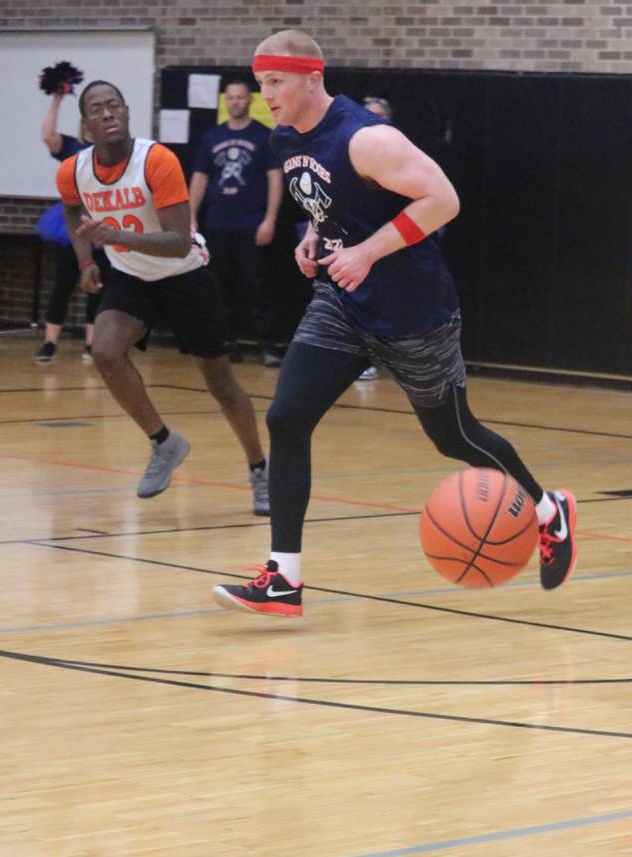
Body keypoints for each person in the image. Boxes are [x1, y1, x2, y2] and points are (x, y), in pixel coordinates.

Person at [212, 30, 577, 616]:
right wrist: (313, 237)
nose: (266, 95)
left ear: (312, 77)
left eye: (275, 82)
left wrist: (367, 252)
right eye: (261, 84)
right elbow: (328, 202)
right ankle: (284, 576)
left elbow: (443, 199)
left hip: (413, 310)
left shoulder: (368, 138)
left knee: (453, 435)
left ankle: (547, 508)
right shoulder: (284, 136)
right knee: (286, 417)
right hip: (342, 302)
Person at [56, 80, 268, 513]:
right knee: (105, 351)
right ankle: (164, 443)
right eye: (97, 108)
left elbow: (177, 242)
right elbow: (72, 207)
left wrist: (114, 235)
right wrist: (86, 261)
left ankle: (260, 470)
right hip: (133, 276)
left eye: (115, 104)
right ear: (85, 125)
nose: (108, 113)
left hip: (186, 274)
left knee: (221, 382)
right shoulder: (73, 170)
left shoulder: (156, 160)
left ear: (128, 111)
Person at [189, 79, 282, 364]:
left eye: (241, 97)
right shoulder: (211, 138)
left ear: (250, 101)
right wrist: (191, 217)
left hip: (252, 224)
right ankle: (226, 344)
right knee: (220, 287)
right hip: (218, 224)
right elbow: (200, 179)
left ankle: (266, 345)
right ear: (225, 101)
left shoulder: (263, 136)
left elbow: (275, 179)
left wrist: (269, 219)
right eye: (231, 98)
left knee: (257, 286)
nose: (236, 102)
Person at [38, 87, 99, 363]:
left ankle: (92, 344)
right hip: (72, 224)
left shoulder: (110, 151)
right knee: (63, 283)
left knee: (99, 284)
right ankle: (50, 343)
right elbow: (48, 136)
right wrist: (57, 100)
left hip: (100, 223)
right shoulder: (73, 147)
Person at [354, 93, 392, 383]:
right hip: (353, 247)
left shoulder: (401, 155)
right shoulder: (347, 153)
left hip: (390, 245)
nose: (374, 122)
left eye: (380, 116)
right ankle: (362, 359)